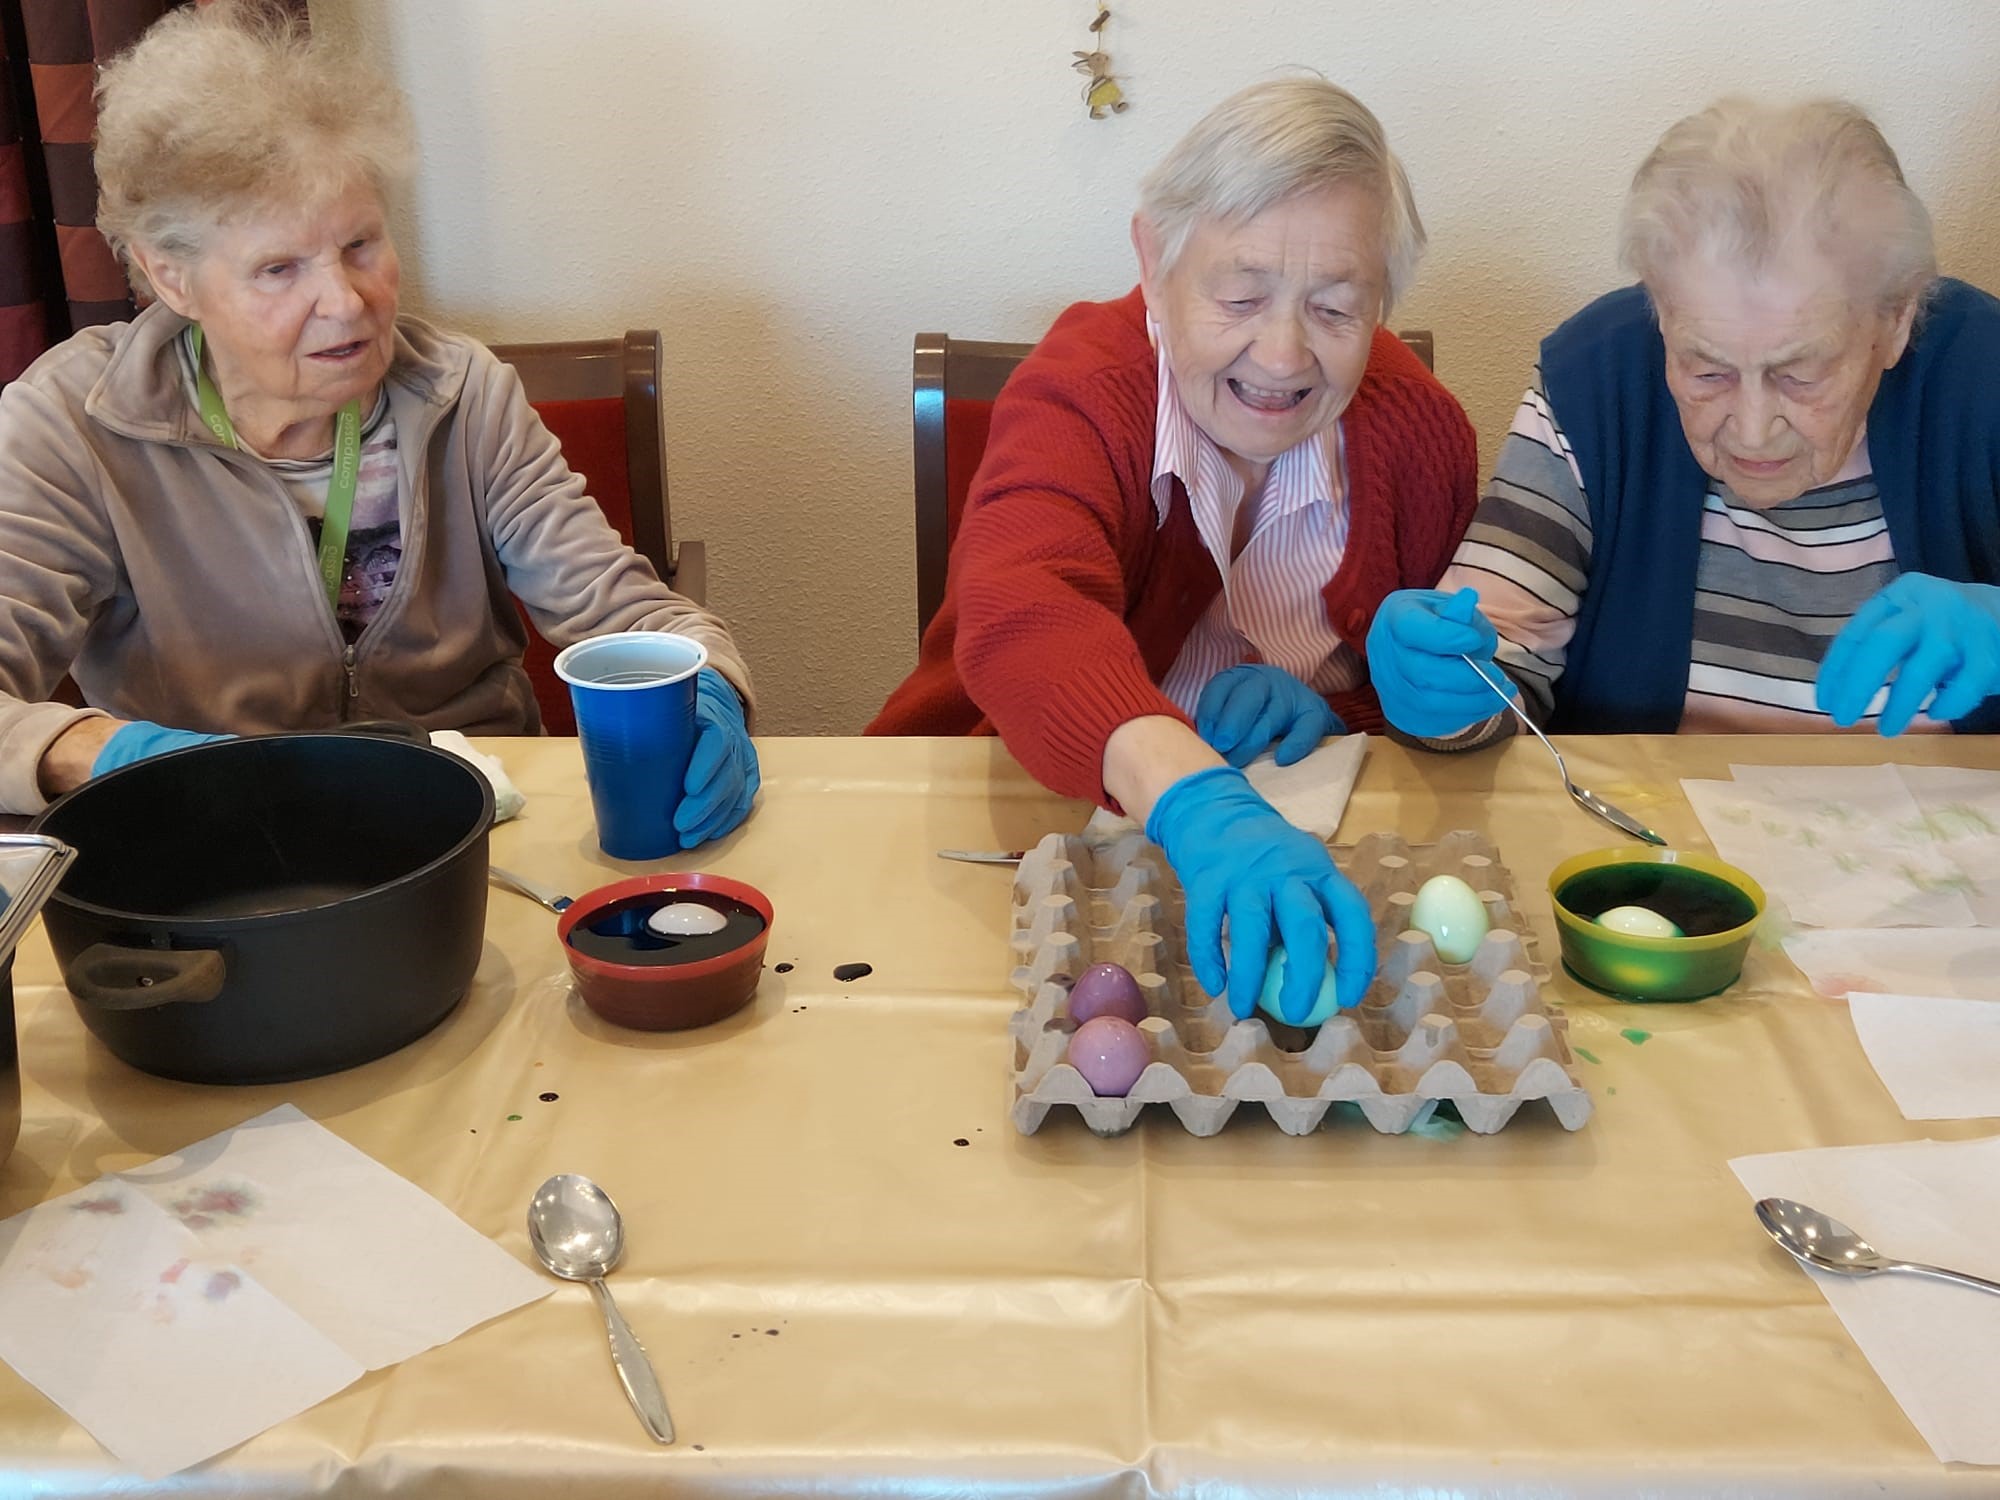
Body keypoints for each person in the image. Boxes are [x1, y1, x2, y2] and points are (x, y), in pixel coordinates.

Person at [0, 0, 758, 849]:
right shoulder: (73, 424)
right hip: (219, 839)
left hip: (476, 830)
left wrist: (710, 688)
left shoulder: (463, 394)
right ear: (171, 279)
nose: (347, 302)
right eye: (280, 268)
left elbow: (632, 617)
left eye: (360, 244)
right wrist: (105, 753)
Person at [869, 77, 1478, 1023]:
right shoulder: (1081, 390)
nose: (1281, 357)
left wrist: (1349, 704)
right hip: (1018, 838)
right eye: (1240, 295)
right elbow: (1024, 613)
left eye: (1334, 310)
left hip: (1291, 873)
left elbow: (1421, 738)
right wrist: (1198, 800)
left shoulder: (1422, 435)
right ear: (1154, 263)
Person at [1369, 97, 2000, 747]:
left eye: (1800, 374)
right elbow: (1497, 671)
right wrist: (1444, 697)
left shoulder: (1984, 375)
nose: (1752, 430)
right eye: (1707, 371)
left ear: (1894, 321)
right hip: (1659, 842)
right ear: (1662, 314)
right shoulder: (1596, 381)